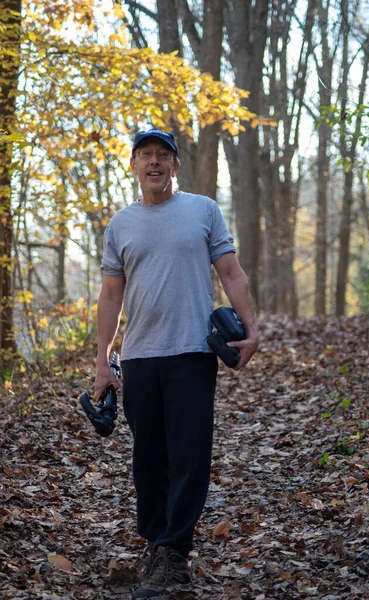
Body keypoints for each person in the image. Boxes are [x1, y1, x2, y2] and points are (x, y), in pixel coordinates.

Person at [94, 128, 258, 598]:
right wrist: (103, 362)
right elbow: (110, 295)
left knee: (188, 456)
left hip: (192, 351)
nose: (154, 162)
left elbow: (231, 271)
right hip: (140, 356)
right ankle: (156, 542)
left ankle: (175, 554)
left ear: (175, 165)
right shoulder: (120, 224)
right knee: (148, 460)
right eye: (145, 155)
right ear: (134, 165)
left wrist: (252, 329)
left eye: (162, 155)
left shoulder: (202, 210)